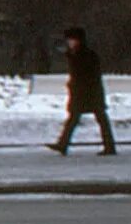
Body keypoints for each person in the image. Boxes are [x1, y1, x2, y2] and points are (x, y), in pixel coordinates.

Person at [46, 26, 114, 156]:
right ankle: (63, 144)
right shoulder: (77, 54)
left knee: (94, 118)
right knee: (82, 118)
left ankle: (64, 144)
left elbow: (87, 74)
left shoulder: (84, 55)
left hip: (88, 92)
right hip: (85, 92)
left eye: (71, 40)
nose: (69, 43)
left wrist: (78, 85)